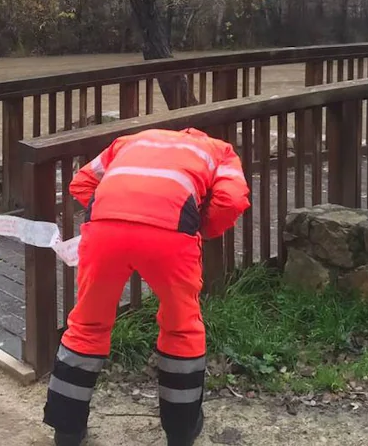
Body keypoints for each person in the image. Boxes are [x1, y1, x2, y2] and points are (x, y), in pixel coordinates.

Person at [43, 127, 251, 446]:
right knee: (182, 328)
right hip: (171, 235)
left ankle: (66, 430)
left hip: (104, 230)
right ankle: (181, 431)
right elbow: (232, 199)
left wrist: (112, 215)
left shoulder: (133, 140)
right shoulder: (220, 151)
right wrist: (199, 228)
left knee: (86, 325)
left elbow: (81, 182)